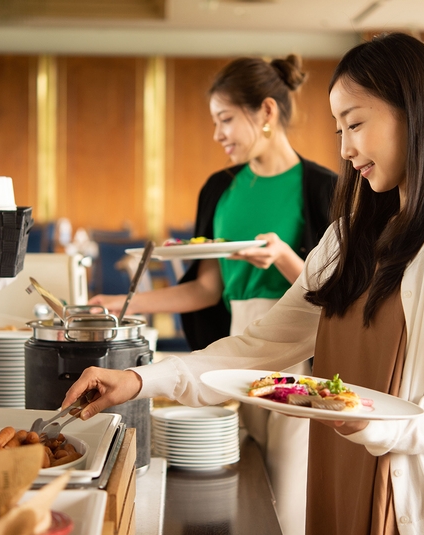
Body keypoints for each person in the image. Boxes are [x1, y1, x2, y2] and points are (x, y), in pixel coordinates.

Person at [70, 32, 424, 535]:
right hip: (343, 473)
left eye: (355, 124)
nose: (345, 149)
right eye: (339, 129)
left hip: (418, 504)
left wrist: (374, 424)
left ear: (415, 111)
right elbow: (260, 347)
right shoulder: (346, 238)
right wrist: (140, 380)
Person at [89, 55, 337, 535]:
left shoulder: (325, 189)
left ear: (266, 112)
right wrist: (124, 304)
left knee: (289, 498)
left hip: (299, 355)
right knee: (236, 485)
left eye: (225, 119)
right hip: (233, 346)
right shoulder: (220, 189)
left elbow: (337, 295)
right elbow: (206, 288)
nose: (218, 133)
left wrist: (285, 258)